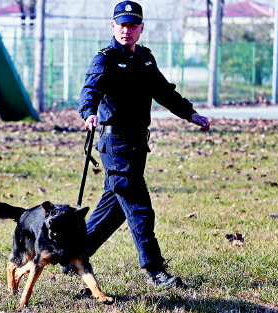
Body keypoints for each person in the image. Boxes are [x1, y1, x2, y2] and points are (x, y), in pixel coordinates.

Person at [76, 0, 211, 288]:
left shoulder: (145, 59)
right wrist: (88, 113)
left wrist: (191, 114)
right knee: (139, 207)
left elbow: (163, 91)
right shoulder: (105, 59)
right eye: (122, 24)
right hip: (115, 144)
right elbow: (91, 90)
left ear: (141, 29)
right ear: (113, 27)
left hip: (137, 144)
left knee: (113, 208)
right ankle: (155, 269)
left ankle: (74, 255)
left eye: (132, 25)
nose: (127, 30)